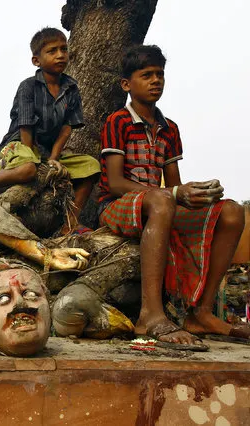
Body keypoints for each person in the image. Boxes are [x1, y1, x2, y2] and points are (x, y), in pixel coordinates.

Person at [98, 45, 247, 348]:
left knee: (231, 211)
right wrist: (171, 194)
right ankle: (150, 315)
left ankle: (201, 313)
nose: (156, 81)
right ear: (127, 84)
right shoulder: (118, 121)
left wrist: (195, 193)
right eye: (147, 75)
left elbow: (174, 185)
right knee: (163, 199)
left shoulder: (170, 129)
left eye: (160, 75)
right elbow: (114, 183)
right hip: (115, 206)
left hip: (158, 204)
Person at [0, 27, 100, 233]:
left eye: (63, 49)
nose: (60, 55)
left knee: (91, 166)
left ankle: (70, 224)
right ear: (36, 61)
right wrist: (35, 160)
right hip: (19, 144)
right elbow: (26, 126)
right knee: (29, 169)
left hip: (47, 152)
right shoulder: (28, 87)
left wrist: (54, 158)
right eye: (52, 51)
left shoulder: (71, 89)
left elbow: (67, 128)